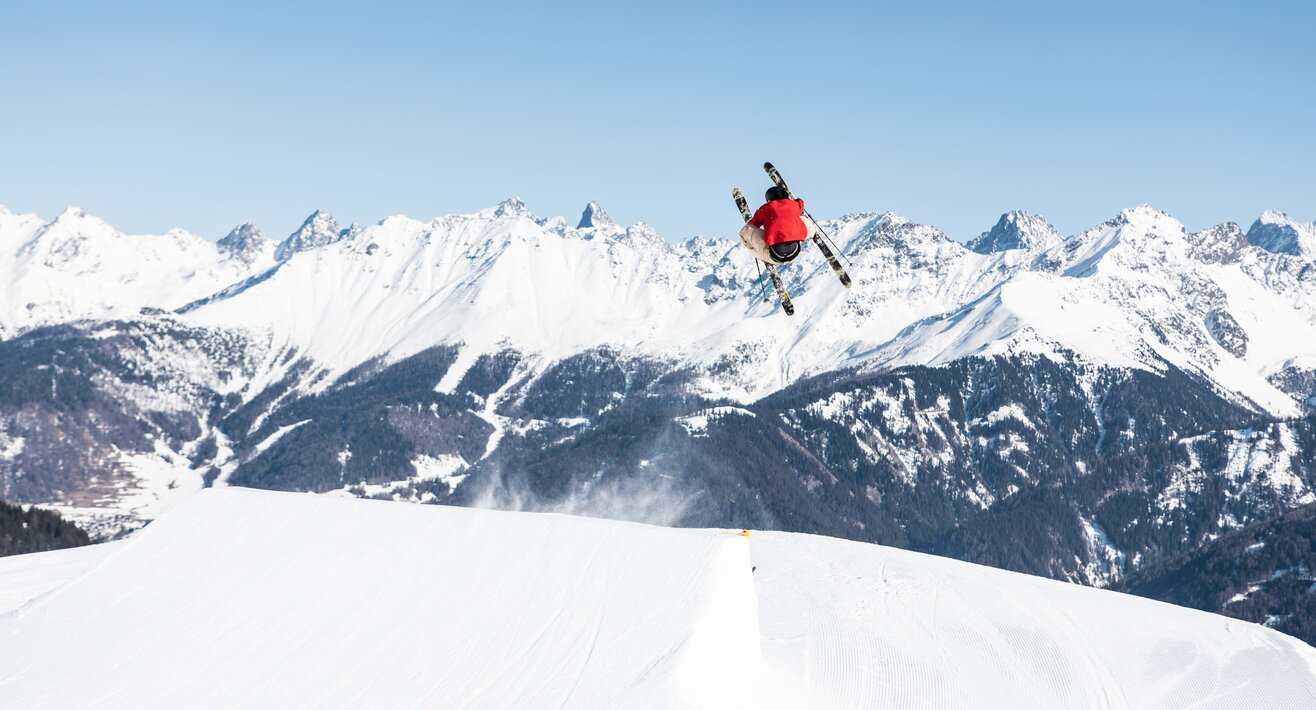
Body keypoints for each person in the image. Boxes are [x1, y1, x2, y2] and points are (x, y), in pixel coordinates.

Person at [739, 186, 815, 264]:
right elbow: (801, 203)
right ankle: (813, 232)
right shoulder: (794, 205)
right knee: (802, 219)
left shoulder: (766, 208)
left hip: (775, 256)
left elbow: (754, 223)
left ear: (769, 200)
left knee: (746, 230)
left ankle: (760, 253)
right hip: (795, 252)